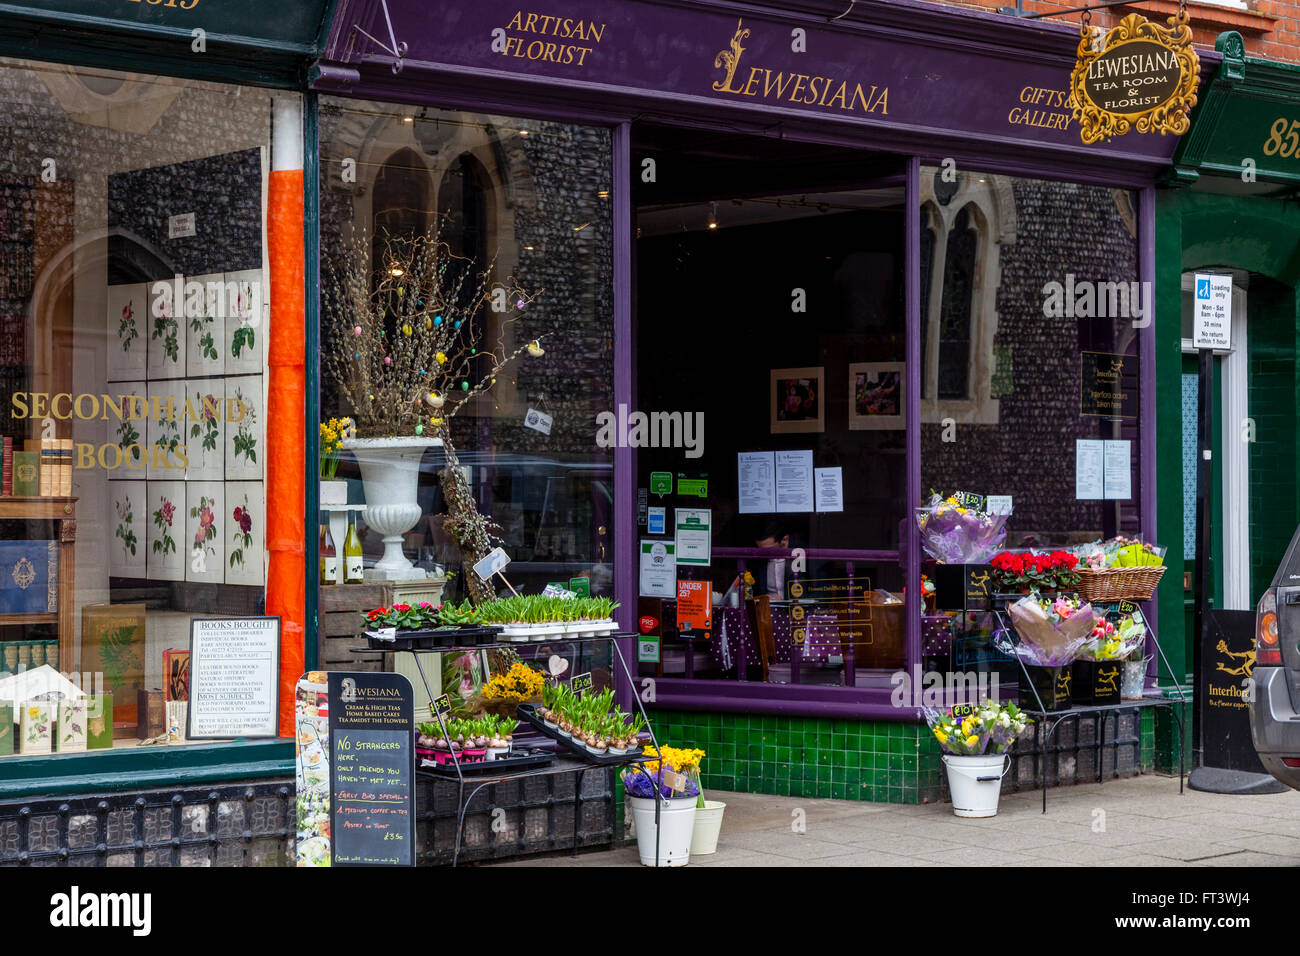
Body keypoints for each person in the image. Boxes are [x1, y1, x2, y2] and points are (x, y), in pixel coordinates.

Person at [753, 519, 792, 599]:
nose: (763, 554)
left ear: (785, 540)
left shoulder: (802, 556)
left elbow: (817, 591)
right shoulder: (759, 560)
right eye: (760, 550)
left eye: (769, 550)